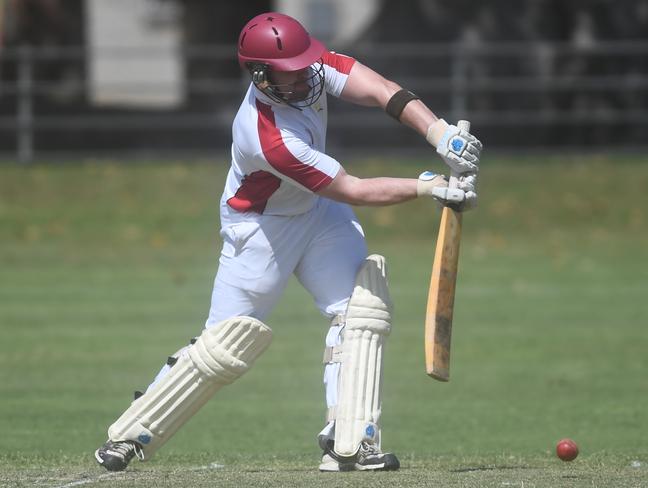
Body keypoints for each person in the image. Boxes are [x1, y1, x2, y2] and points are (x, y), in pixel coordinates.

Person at [94, 11, 482, 473]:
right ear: (261, 75)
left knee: (361, 310)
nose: (303, 76)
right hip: (261, 230)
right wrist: (427, 186)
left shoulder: (311, 69)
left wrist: (440, 134)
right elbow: (352, 188)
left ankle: (350, 443)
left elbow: (381, 91)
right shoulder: (267, 136)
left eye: (305, 63)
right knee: (223, 345)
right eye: (289, 71)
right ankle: (132, 434)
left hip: (318, 214)